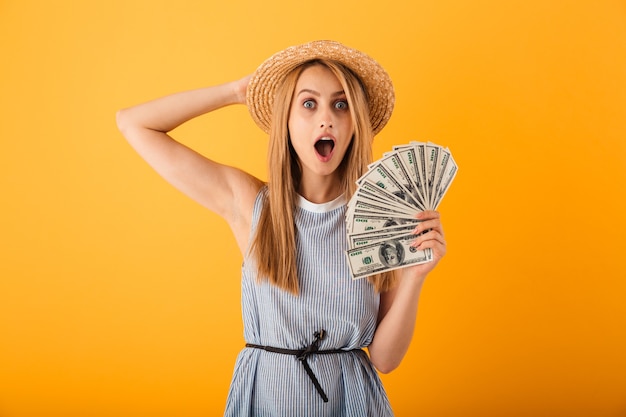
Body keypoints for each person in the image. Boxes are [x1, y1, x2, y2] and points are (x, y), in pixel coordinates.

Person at [116, 40, 446, 417]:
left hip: (352, 403)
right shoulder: (251, 205)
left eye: (341, 105)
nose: (327, 119)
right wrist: (237, 92)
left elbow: (386, 359)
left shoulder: (381, 219)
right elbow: (134, 123)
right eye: (309, 104)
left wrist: (416, 276)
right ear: (285, 121)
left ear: (355, 123)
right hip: (268, 399)